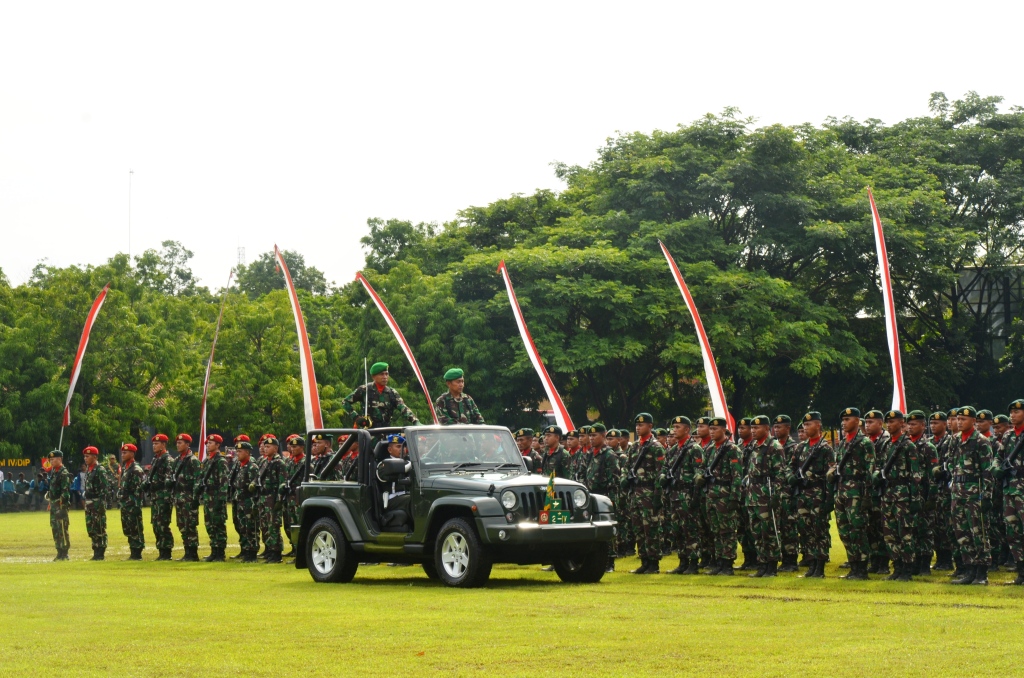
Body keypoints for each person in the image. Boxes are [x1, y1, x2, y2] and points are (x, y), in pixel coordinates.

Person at [948, 406, 996, 585]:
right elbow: (951, 464)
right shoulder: (954, 440)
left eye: (964, 419)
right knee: (962, 532)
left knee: (979, 532)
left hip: (975, 493)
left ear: (973, 421)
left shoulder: (981, 441)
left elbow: (987, 472)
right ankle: (969, 570)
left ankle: (982, 573)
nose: (960, 422)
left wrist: (987, 496)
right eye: (958, 418)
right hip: (958, 492)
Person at [871, 410, 921, 582]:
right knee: (889, 533)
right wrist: (877, 475)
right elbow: (879, 465)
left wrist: (914, 499)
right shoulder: (886, 445)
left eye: (893, 422)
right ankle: (897, 567)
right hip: (888, 494)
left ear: (902, 423)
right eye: (887, 422)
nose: (889, 424)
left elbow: (915, 475)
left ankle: (907, 569)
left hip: (903, 495)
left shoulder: (908, 445)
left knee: (905, 534)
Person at [743, 415, 792, 578]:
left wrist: (776, 495)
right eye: (752, 428)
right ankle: (762, 564)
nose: (753, 431)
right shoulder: (754, 446)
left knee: (769, 531)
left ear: (766, 428)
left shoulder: (774, 446)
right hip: (753, 494)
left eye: (757, 428)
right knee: (756, 531)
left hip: (767, 494)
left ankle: (772, 566)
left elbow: (780, 474)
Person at [830, 408, 875, 580]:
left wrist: (867, 497)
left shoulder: (864, 443)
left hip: (857, 491)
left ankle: (862, 568)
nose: (843, 422)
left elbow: (870, 471)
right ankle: (853, 565)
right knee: (844, 531)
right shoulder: (842, 443)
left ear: (857, 421)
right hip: (842, 490)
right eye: (843, 419)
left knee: (858, 530)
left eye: (847, 419)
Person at [694, 417, 743, 575]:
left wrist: (735, 497)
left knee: (727, 530)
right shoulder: (709, 449)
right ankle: (719, 562)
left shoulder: (732, 449)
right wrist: (699, 476)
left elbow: (737, 476)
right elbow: (702, 468)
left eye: (715, 429)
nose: (712, 432)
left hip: (725, 495)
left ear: (724, 430)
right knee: (715, 530)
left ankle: (728, 563)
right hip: (711, 494)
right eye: (711, 429)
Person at [619, 413, 665, 574]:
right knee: (638, 528)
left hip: (649, 493)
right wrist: (625, 478)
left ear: (650, 426)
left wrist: (658, 496)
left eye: (642, 425)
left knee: (651, 528)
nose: (638, 427)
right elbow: (626, 466)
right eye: (637, 425)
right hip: (635, 492)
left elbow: (661, 473)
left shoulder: (656, 446)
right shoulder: (634, 446)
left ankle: (654, 563)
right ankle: (644, 560)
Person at [792, 412, 835, 578]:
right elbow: (792, 466)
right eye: (804, 425)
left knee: (819, 531)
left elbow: (830, 474)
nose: (805, 427)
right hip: (803, 494)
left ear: (818, 425)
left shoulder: (825, 449)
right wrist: (791, 476)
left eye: (809, 424)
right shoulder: (800, 447)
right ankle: (811, 565)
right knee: (805, 530)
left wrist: (828, 499)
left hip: (818, 494)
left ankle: (820, 566)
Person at [660, 417, 702, 575]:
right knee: (677, 529)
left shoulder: (694, 448)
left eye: (678, 427)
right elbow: (665, 468)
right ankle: (682, 561)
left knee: (690, 529)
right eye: (673, 427)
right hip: (674, 493)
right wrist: (663, 477)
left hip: (687, 494)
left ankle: (693, 562)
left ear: (686, 429)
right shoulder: (672, 450)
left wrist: (695, 496)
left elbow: (699, 470)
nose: (674, 430)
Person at [906, 411, 938, 575]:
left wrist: (931, 497)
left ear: (923, 426)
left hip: (924, 493)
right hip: (910, 495)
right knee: (912, 530)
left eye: (914, 424)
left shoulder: (928, 447)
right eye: (909, 424)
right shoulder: (906, 445)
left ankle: (925, 564)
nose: (910, 427)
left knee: (925, 531)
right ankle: (915, 562)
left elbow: (933, 475)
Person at [342, 362, 420, 428]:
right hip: (368, 432)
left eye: (386, 374)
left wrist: (415, 421)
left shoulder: (392, 392)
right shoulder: (365, 390)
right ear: (373, 376)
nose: (385, 377)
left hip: (385, 431)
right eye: (381, 374)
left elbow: (403, 408)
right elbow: (345, 402)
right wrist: (356, 417)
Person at [585, 424, 620, 572]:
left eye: (595, 436)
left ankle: (610, 561)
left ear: (603, 436)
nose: (592, 438)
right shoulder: (590, 454)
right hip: (591, 496)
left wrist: (611, 501)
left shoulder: (609, 454)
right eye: (590, 436)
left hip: (605, 496)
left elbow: (615, 479)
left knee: (607, 529)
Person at [863, 410, 890, 574]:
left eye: (871, 422)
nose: (867, 425)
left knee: (882, 528)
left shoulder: (886, 441)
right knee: (870, 527)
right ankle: (874, 560)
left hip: (881, 491)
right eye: (866, 422)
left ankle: (884, 562)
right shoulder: (866, 442)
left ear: (880, 424)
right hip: (868, 491)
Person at [929, 412, 955, 570]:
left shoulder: (950, 441)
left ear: (944, 424)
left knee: (946, 525)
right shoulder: (930, 442)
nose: (933, 426)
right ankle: (939, 558)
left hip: (946, 489)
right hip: (934, 489)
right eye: (931, 423)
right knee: (935, 525)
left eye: (936, 423)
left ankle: (947, 559)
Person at [255, 436, 287, 563]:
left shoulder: (279, 463)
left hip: (273, 498)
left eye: (268, 447)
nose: (265, 448)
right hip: (263, 497)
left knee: (273, 526)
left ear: (276, 448)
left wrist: (279, 500)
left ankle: (276, 553)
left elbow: (282, 482)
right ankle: (269, 550)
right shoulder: (264, 461)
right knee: (265, 525)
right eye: (265, 446)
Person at [198, 434, 230, 562]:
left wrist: (221, 499)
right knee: (209, 525)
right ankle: (214, 551)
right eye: (207, 443)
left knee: (218, 525)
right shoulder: (207, 461)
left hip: (216, 497)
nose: (207, 445)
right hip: (208, 497)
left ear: (217, 445)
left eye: (211, 443)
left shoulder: (220, 461)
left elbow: (224, 482)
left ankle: (220, 553)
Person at [145, 433, 176, 561]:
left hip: (164, 497)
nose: (154, 446)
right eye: (153, 444)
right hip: (155, 497)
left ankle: (166, 551)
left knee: (163, 524)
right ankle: (161, 550)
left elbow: (169, 480)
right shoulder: (155, 459)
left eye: (157, 444)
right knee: (156, 524)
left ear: (163, 445)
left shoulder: (168, 460)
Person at [172, 433, 201, 562]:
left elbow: (197, 480)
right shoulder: (178, 460)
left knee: (190, 525)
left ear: (188, 445)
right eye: (177, 443)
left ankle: (193, 553)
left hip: (189, 498)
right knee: (182, 525)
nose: (178, 445)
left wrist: (195, 499)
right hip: (179, 498)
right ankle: (187, 551)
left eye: (181, 443)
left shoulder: (193, 460)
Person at [232, 440, 261, 562]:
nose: (237, 453)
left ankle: (252, 554)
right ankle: (245, 551)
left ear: (248, 452)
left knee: (251, 528)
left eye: (240, 451)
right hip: (240, 501)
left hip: (249, 502)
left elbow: (256, 486)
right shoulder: (240, 466)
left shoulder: (252, 467)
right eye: (236, 451)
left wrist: (254, 504)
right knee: (242, 527)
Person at [117, 443, 146, 560]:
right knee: (128, 528)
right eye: (122, 452)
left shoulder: (136, 469)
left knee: (135, 528)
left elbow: (139, 489)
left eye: (125, 452)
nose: (122, 454)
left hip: (133, 504)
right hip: (125, 504)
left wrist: (133, 502)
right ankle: (133, 551)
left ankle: (137, 553)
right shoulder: (126, 468)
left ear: (132, 454)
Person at [82, 446, 109, 561]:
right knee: (91, 527)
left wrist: (99, 502)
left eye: (87, 456)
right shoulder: (89, 470)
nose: (85, 458)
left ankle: (100, 552)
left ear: (95, 457)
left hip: (97, 503)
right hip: (89, 503)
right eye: (84, 456)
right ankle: (95, 550)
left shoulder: (100, 470)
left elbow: (104, 488)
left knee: (99, 527)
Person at [283, 435, 306, 557]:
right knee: (290, 524)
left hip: (299, 498)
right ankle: (294, 549)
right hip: (290, 497)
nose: (292, 449)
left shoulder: (306, 462)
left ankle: (301, 552)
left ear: (302, 447)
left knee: (299, 524)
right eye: (291, 446)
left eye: (295, 446)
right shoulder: (290, 461)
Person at [45, 451, 71, 560]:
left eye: (53, 459)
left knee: (62, 529)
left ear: (60, 459)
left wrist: (61, 505)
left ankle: (64, 553)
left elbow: (65, 492)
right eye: (50, 460)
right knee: (55, 528)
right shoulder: (54, 472)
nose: (51, 461)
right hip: (54, 505)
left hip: (60, 506)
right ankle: (59, 551)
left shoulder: (63, 473)